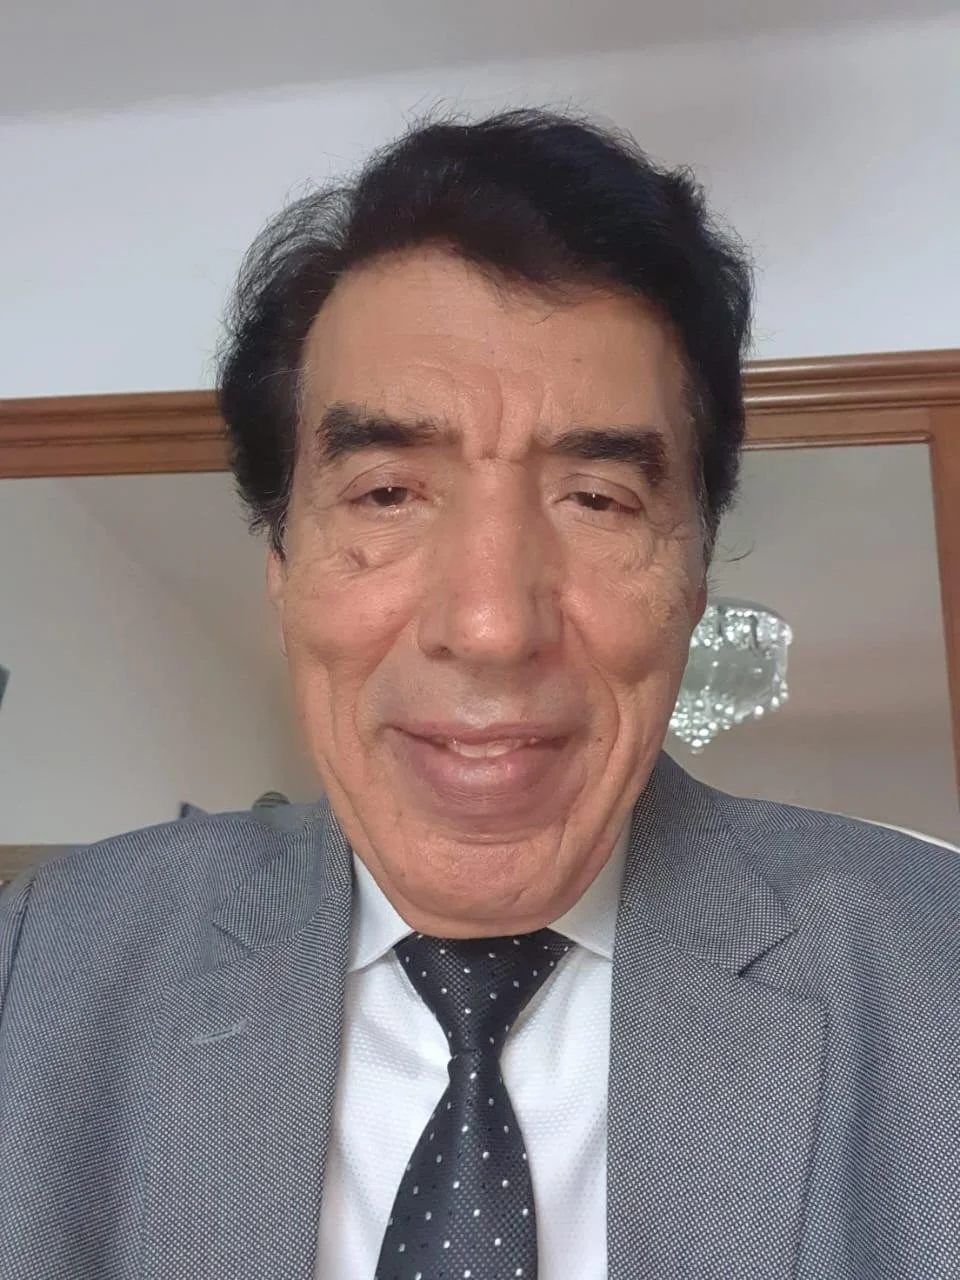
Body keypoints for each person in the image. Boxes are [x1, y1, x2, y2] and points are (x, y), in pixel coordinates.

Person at [0, 110, 957, 1280]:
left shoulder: (933, 974)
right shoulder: (43, 973)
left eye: (599, 498)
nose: (493, 626)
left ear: (695, 576)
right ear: (284, 571)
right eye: (389, 492)